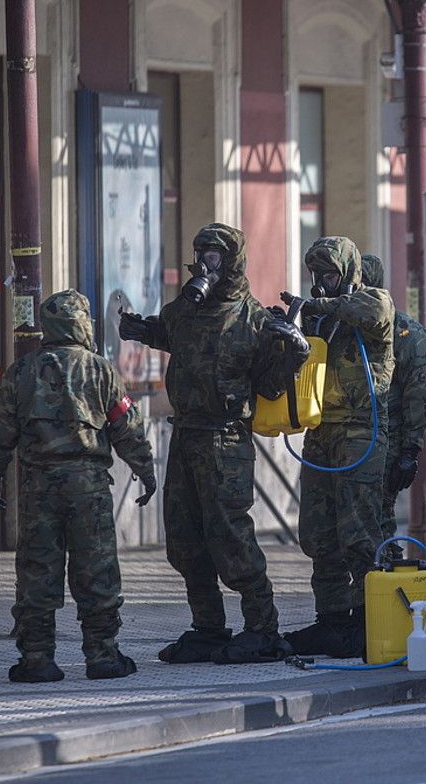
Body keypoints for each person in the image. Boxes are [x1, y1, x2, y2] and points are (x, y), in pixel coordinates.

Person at [119, 223, 308, 664]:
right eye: (202, 252)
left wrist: (292, 354)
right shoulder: (186, 309)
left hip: (225, 439)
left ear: (234, 262)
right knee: (184, 540)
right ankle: (208, 627)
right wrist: (139, 329)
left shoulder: (253, 320)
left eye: (216, 256)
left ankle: (263, 628)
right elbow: (169, 334)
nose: (207, 263)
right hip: (184, 435)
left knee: (230, 537)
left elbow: (271, 388)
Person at [0, 290, 157, 682]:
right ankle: (102, 655)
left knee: (37, 573)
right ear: (83, 324)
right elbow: (126, 428)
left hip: (37, 488)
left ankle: (37, 659)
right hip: (88, 487)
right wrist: (145, 470)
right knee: (96, 571)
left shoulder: (21, 372)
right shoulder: (102, 370)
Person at [280, 236, 395, 659]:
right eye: (316, 275)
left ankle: (370, 621)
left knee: (359, 535)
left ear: (347, 273)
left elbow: (371, 312)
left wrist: (317, 306)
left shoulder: (373, 304)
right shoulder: (318, 321)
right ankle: (332, 621)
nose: (321, 283)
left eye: (329, 274)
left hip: (360, 433)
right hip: (320, 434)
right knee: (318, 533)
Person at [359, 254, 426, 552]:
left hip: (387, 440)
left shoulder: (405, 332)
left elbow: (418, 392)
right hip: (342, 442)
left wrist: (410, 450)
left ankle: (382, 583)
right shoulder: (339, 326)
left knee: (378, 518)